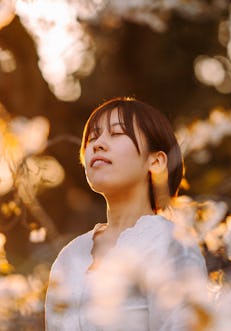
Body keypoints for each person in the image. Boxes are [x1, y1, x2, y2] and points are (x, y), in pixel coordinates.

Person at [45, 97, 207, 330]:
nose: (98, 144)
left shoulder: (169, 243)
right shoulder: (69, 256)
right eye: (93, 137)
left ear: (156, 161)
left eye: (117, 133)